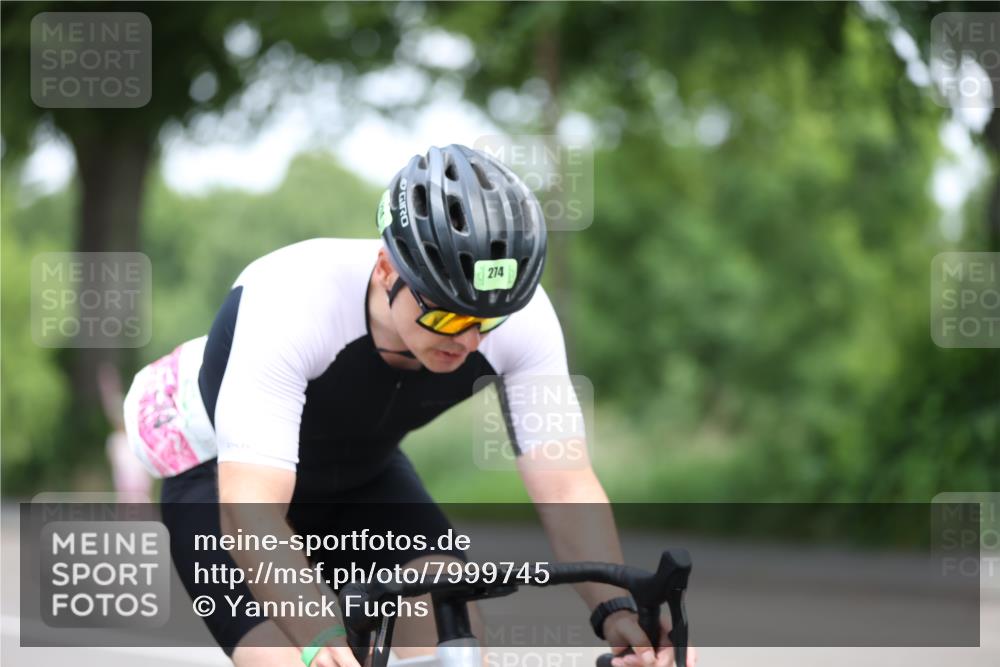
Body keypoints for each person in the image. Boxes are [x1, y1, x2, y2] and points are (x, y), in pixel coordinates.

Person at [124, 145, 694, 667]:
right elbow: (251, 513)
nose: (467, 340)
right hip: (221, 476)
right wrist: (321, 635)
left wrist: (618, 612)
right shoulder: (290, 301)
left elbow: (565, 482)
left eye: (486, 322)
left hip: (362, 476)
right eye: (446, 315)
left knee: (453, 616)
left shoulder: (520, 314)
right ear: (386, 269)